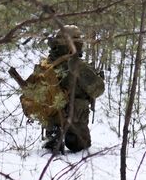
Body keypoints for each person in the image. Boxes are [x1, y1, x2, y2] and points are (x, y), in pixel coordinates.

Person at [41, 24, 104, 153]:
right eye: (79, 40)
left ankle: (54, 133)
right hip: (75, 118)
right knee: (80, 146)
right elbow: (98, 90)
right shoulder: (77, 64)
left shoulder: (47, 63)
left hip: (52, 119)